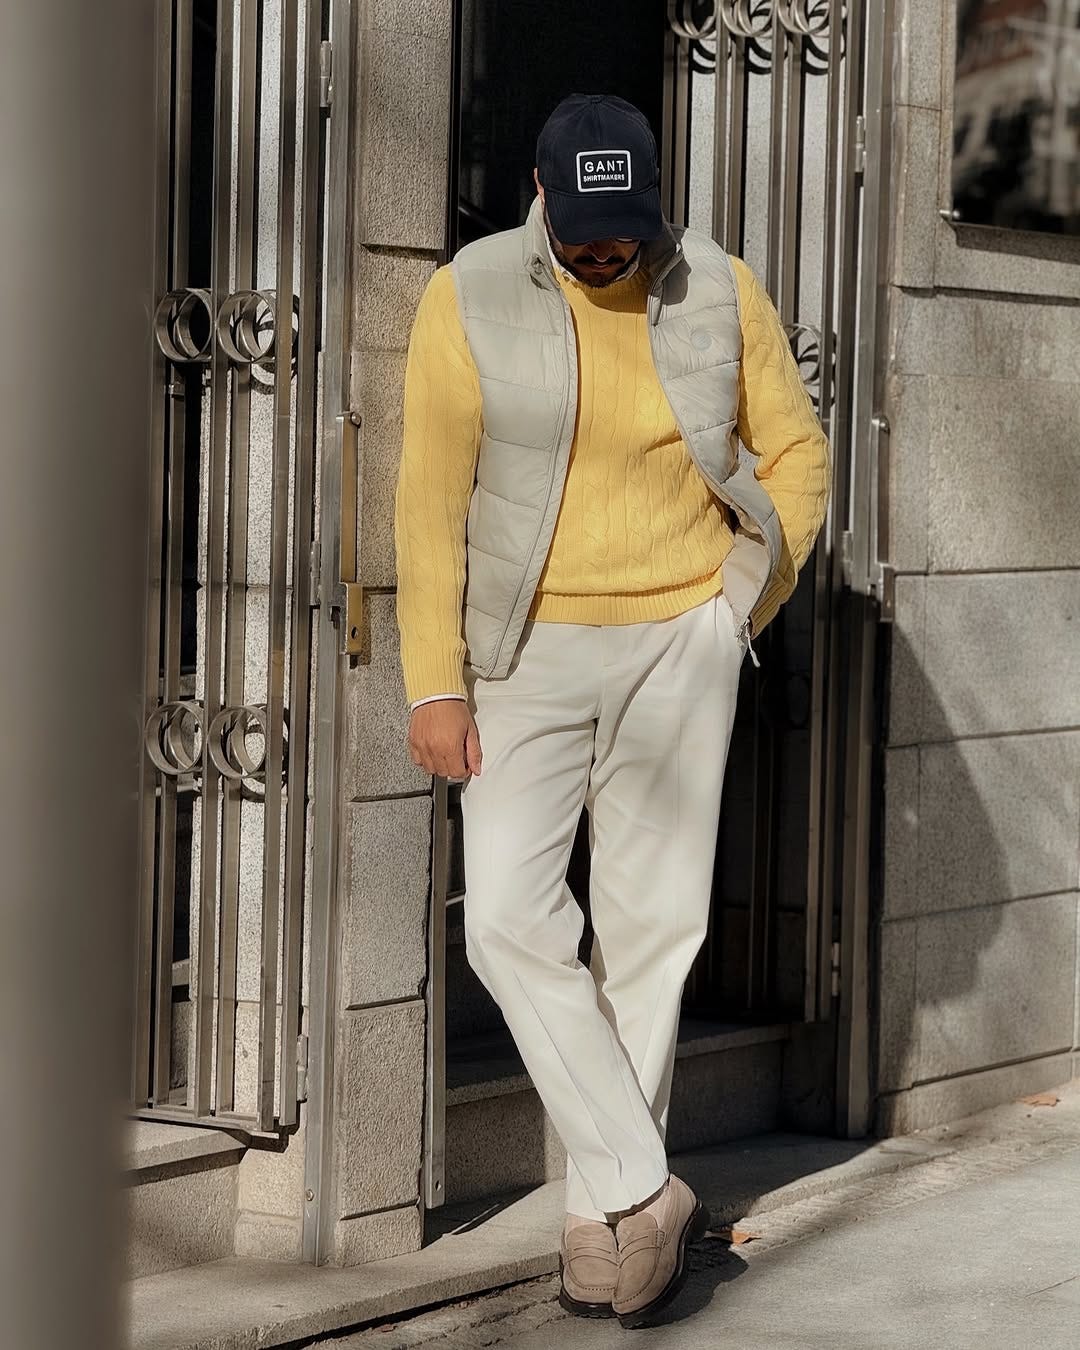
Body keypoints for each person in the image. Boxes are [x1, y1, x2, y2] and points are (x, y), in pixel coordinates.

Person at [394, 92, 830, 1328]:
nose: (605, 254)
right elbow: (429, 497)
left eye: (626, 231)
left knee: (652, 932)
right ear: (539, 198)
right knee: (508, 925)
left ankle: (605, 1234)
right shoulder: (467, 294)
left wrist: (736, 604)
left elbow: (796, 453)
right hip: (520, 651)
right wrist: (435, 679)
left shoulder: (721, 289)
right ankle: (647, 1185)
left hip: (676, 638)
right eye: (584, 232)